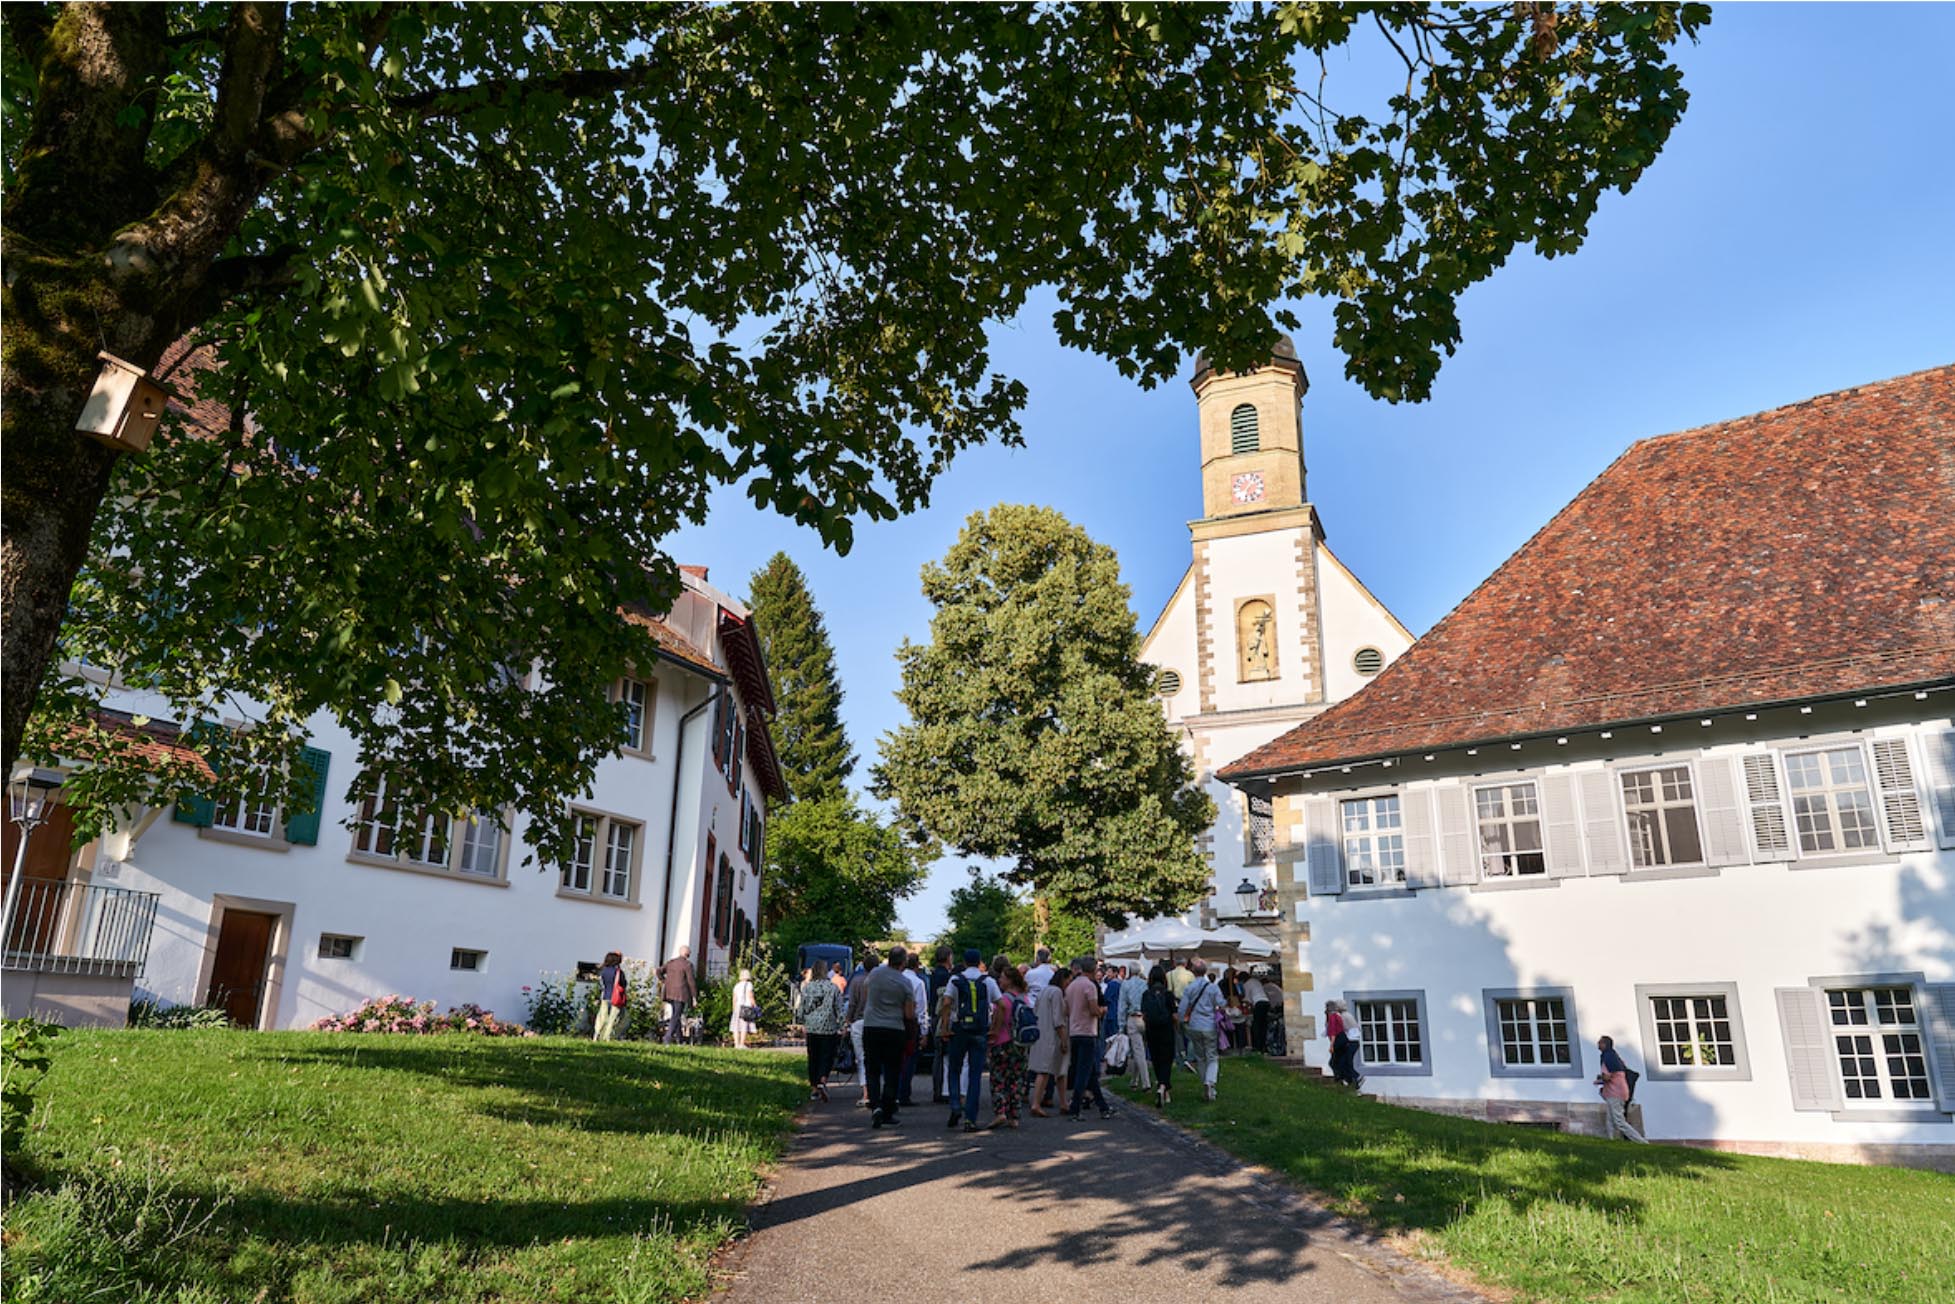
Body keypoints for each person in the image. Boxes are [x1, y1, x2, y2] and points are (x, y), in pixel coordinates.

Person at [941, 947, 1002, 1131]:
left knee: (954, 1069)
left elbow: (946, 1003)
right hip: (980, 1030)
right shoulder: (988, 981)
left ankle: (954, 1104)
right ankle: (970, 1118)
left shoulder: (955, 979)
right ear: (980, 961)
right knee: (975, 1074)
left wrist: (945, 1028)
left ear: (965, 962)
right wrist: (995, 1029)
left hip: (959, 1028)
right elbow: (1001, 1005)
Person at [862, 946, 916, 1128]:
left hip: (871, 1026)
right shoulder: (905, 983)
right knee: (892, 1071)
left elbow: (867, 991)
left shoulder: (875, 973)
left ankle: (875, 1105)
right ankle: (887, 1110)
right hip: (894, 1029)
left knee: (872, 1068)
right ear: (903, 962)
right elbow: (909, 1014)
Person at [1064, 957, 1115, 1119]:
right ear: (1092, 970)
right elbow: (1094, 1009)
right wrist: (1102, 1011)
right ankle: (1075, 1107)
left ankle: (1103, 1106)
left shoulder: (1071, 986)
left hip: (1074, 1031)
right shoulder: (1090, 986)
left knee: (1090, 1072)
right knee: (1084, 1072)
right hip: (1087, 1031)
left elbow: (1066, 1009)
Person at [986, 965, 1029, 1128]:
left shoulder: (1002, 1000)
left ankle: (1000, 1112)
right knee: (1016, 1080)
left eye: (1002, 977)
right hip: (1019, 1044)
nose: (999, 980)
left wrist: (991, 1037)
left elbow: (997, 1021)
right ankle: (1015, 1116)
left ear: (1009, 980)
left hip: (1002, 1042)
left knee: (998, 1079)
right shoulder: (1023, 998)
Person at [1178, 957, 1224, 1101]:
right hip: (1209, 1024)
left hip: (1194, 1025)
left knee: (1200, 1057)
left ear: (1193, 971)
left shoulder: (1189, 987)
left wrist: (1181, 1022)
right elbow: (1221, 1002)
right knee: (1212, 1056)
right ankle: (1210, 1082)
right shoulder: (1212, 987)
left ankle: (1205, 1082)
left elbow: (1182, 1009)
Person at [1028, 965, 1071, 1117]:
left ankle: (1063, 1102)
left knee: (1054, 1070)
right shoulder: (1057, 992)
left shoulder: (1043, 991)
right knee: (1049, 1071)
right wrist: (1064, 1039)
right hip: (1053, 1037)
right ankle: (1037, 1103)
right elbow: (1058, 1019)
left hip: (1040, 1034)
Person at [797, 960, 844, 1099]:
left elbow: (801, 1009)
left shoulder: (807, 988)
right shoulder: (833, 988)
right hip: (828, 1027)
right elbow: (839, 1009)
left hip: (811, 1027)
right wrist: (842, 1025)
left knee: (813, 1057)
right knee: (827, 1056)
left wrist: (802, 1021)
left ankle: (813, 1088)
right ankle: (823, 1080)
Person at [1595, 1036, 1649, 1143]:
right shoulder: (1614, 1056)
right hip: (1618, 1091)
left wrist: (1600, 1079)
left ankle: (1641, 1141)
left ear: (1605, 1044)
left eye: (1600, 1042)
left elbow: (1608, 1077)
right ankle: (1610, 1140)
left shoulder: (1608, 1058)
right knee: (1610, 1118)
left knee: (1619, 1121)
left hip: (1615, 1092)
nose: (1598, 1044)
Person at [1140, 964, 1178, 1105]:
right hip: (1166, 1030)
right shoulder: (1168, 994)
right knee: (1166, 1060)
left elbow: (1143, 1015)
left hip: (1152, 1030)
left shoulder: (1146, 994)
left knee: (1156, 1060)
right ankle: (1163, 1086)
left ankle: (1164, 1090)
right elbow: (1174, 1016)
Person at [898, 953, 929, 1105]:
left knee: (896, 1059)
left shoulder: (897, 979)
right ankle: (904, 1093)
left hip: (895, 1021)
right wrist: (924, 1032)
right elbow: (922, 1009)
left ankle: (894, 1091)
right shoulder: (918, 983)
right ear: (917, 965)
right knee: (910, 1060)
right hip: (911, 1024)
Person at [845, 953, 877, 1104]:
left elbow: (851, 1004)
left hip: (859, 1021)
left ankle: (866, 1093)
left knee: (861, 1058)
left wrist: (848, 1020)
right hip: (877, 1022)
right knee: (876, 1057)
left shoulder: (857, 981)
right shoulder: (880, 981)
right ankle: (876, 1090)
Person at [928, 944, 956, 1103]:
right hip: (941, 1017)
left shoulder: (933, 974)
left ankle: (938, 1089)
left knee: (937, 1055)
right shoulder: (946, 976)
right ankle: (942, 1090)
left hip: (934, 1015)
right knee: (943, 1055)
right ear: (948, 957)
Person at [1121, 963, 1153, 1090]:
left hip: (1133, 1018)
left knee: (1138, 1052)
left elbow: (1122, 1006)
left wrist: (1121, 1025)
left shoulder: (1126, 984)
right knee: (1137, 1051)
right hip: (1145, 1018)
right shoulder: (1145, 984)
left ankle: (1146, 1083)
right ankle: (1134, 1080)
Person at [660, 945, 697, 1044]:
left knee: (676, 1014)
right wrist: (694, 997)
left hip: (669, 992)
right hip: (681, 994)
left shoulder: (671, 963)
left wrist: (664, 981)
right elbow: (691, 982)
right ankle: (667, 1037)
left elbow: (658, 971)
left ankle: (680, 1039)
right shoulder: (687, 965)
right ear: (687, 954)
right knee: (676, 1015)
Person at [1324, 998, 1363, 1089]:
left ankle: (1352, 1078)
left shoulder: (1342, 1016)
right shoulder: (1347, 1015)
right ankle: (1350, 1081)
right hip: (1352, 1042)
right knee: (1343, 1062)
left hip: (1349, 1042)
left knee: (1343, 1062)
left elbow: (1339, 1029)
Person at [1167, 957, 1195, 1067]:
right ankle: (1190, 1057)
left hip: (1175, 1006)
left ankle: (1178, 1058)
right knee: (1190, 1035)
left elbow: (1169, 993)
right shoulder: (1190, 975)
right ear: (1186, 963)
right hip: (1187, 1006)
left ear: (1174, 963)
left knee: (1176, 1034)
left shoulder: (1169, 974)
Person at [594, 950, 628, 1041]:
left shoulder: (603, 971)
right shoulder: (618, 972)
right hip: (615, 998)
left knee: (602, 1017)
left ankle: (596, 1035)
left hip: (605, 996)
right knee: (613, 1019)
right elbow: (624, 984)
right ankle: (607, 1037)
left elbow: (601, 984)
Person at [1243, 966, 1271, 1054]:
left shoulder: (1246, 984)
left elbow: (1247, 999)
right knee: (1263, 1025)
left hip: (1258, 1003)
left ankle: (1257, 1046)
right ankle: (1264, 1045)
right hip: (1266, 1002)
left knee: (1256, 1026)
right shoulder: (1256, 981)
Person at [730, 968, 758, 1050]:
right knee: (744, 1026)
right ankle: (742, 1044)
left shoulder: (736, 985)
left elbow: (734, 998)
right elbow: (750, 996)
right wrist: (755, 1005)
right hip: (746, 1007)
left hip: (737, 1007)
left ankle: (736, 1044)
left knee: (736, 1026)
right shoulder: (749, 984)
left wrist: (734, 1008)